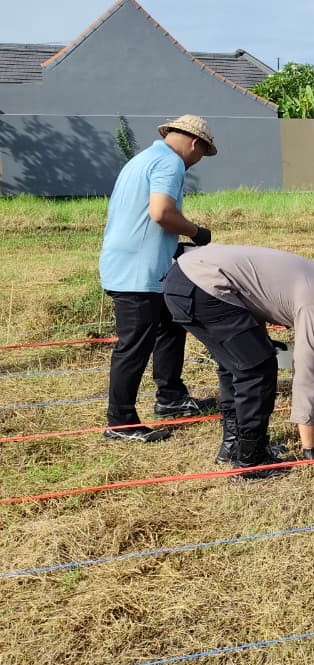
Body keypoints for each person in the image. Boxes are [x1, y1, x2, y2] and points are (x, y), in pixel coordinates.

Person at [163, 243, 314, 477]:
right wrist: (310, 451)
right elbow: (306, 373)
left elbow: (254, 299)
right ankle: (252, 461)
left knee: (237, 364)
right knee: (258, 368)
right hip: (204, 286)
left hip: (184, 279)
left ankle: (234, 446)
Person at [99, 114, 219, 443]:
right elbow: (161, 212)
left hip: (137, 263)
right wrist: (196, 232)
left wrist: (171, 245)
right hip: (137, 272)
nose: (197, 161)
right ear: (195, 144)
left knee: (171, 326)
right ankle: (120, 421)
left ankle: (171, 398)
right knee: (134, 345)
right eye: (202, 154)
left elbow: (139, 216)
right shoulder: (170, 163)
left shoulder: (143, 159)